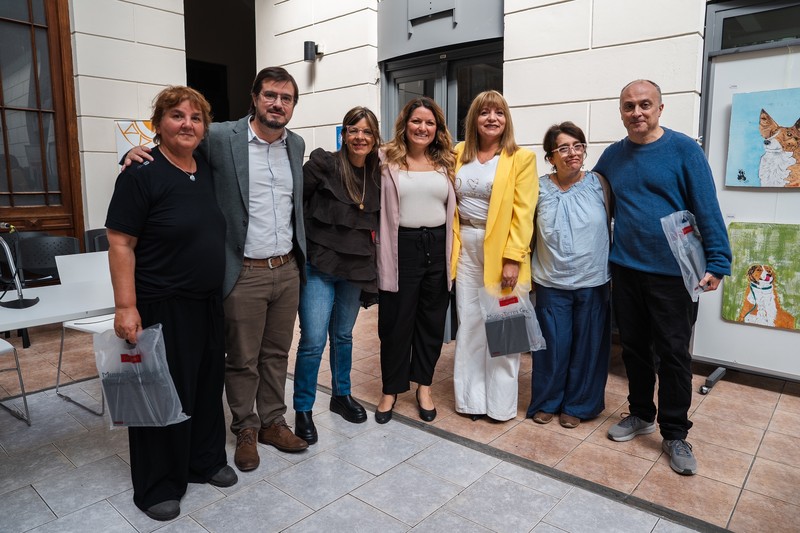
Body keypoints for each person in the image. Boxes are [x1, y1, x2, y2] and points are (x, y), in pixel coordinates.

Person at [123, 67, 310, 472]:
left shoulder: (296, 144)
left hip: (286, 268)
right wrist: (135, 152)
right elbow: (178, 142)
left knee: (277, 353)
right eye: (270, 95)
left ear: (294, 105)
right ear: (255, 98)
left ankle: (273, 422)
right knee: (242, 357)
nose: (277, 104)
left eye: (287, 98)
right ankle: (245, 427)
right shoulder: (223, 137)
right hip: (243, 270)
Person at [107, 86, 237, 522]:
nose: (187, 124)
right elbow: (120, 243)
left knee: (204, 385)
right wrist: (126, 306)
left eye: (196, 118)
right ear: (158, 124)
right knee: (158, 392)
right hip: (161, 304)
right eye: (177, 115)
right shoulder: (140, 174)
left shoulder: (206, 169)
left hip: (206, 302)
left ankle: (204, 460)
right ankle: (157, 484)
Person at [594, 79, 731, 475]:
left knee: (673, 355)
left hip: (674, 274)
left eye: (645, 104)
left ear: (659, 108)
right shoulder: (612, 156)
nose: (637, 112)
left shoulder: (684, 150)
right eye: (629, 106)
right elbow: (592, 197)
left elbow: (706, 205)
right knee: (634, 349)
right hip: (626, 269)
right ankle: (641, 414)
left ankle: (675, 433)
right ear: (621, 112)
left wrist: (719, 261)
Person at [292, 107, 382, 443]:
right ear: (343, 134)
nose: (360, 137)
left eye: (367, 132)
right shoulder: (324, 164)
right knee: (313, 340)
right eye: (353, 130)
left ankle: (341, 395)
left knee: (343, 336)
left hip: (355, 268)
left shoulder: (377, 174)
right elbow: (293, 202)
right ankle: (303, 408)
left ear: (375, 138)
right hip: (319, 265)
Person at [451, 90, 536, 422]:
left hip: (503, 252)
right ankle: (471, 402)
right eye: (484, 112)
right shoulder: (458, 152)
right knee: (470, 324)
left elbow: (524, 213)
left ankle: (500, 407)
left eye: (498, 113)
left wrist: (513, 258)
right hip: (466, 246)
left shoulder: (521, 158)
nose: (491, 118)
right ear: (474, 118)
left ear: (506, 119)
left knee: (504, 330)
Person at [375, 97, 457, 424]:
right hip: (401, 248)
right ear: (405, 124)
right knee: (396, 323)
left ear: (438, 128)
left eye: (429, 123)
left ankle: (424, 386)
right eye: (416, 121)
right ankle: (390, 389)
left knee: (431, 322)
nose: (423, 128)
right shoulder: (385, 158)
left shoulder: (447, 161)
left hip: (438, 247)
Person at [526, 122, 612, 429]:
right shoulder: (537, 187)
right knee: (551, 346)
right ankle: (547, 401)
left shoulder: (599, 184)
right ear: (550, 157)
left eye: (578, 146)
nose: (572, 153)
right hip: (550, 281)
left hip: (593, 281)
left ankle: (579, 405)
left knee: (588, 348)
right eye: (563, 148)